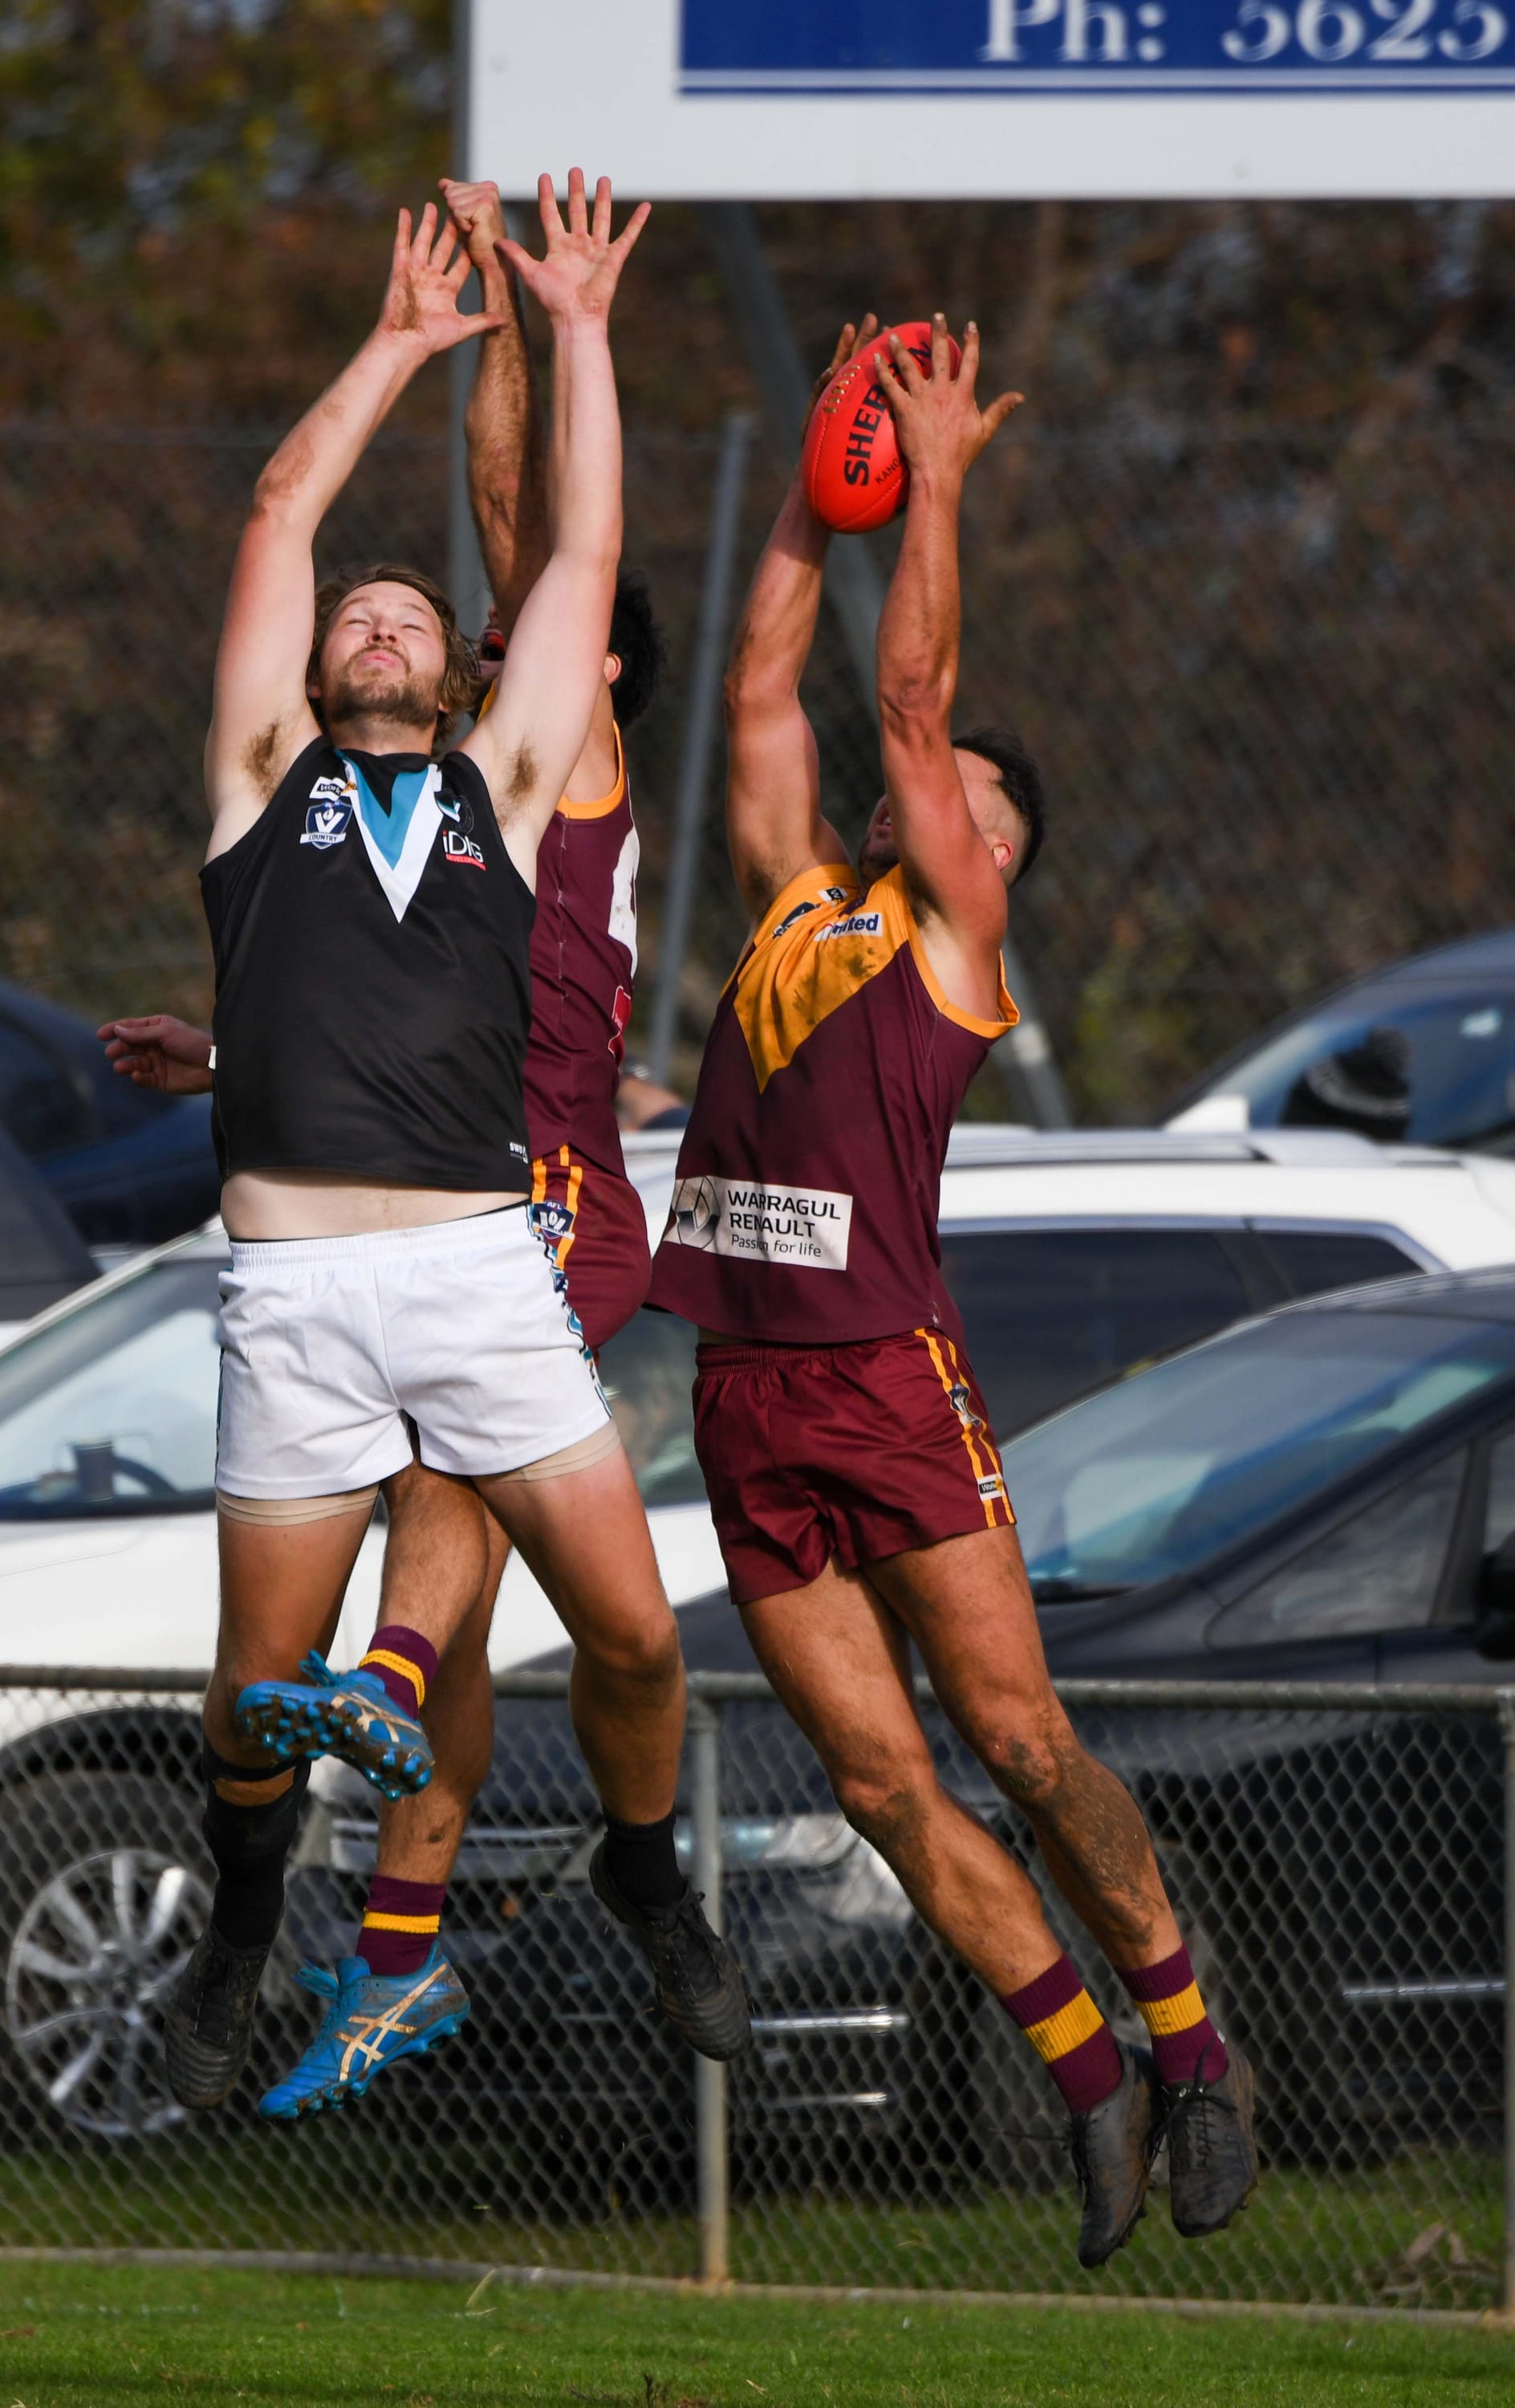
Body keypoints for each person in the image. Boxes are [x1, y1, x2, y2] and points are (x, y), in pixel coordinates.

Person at [647, 312, 1257, 2269]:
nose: (936, 795)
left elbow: (911, 709)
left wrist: (939, 481)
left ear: (993, 851)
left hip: (889, 1385)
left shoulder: (956, 939)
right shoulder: (803, 907)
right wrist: (823, 502)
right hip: (748, 1396)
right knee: (869, 1777)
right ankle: (1083, 2080)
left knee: (1017, 1738)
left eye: (967, 797)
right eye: (937, 787)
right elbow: (763, 684)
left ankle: (1192, 2043)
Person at [156, 172, 748, 2125]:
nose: (385, 611)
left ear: (467, 675)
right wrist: (402, 343)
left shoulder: (507, 781)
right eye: (361, 612)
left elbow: (577, 555)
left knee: (643, 1642)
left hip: (484, 1267)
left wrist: (577, 322)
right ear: (321, 676)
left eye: (412, 609)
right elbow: (275, 514)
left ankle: (647, 1871)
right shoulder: (264, 785)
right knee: (252, 1713)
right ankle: (250, 1918)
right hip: (299, 1287)